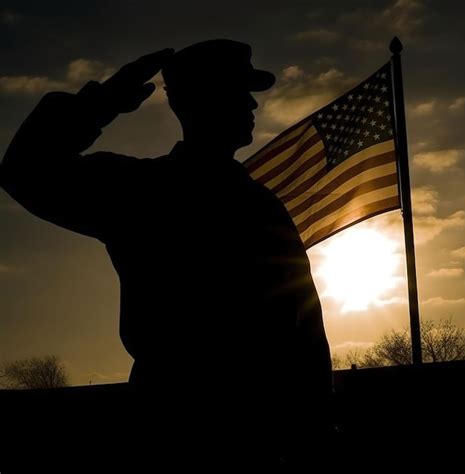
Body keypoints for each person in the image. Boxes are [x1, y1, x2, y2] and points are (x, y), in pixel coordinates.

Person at [0, 39, 332, 465]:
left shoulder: (257, 203)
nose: (252, 103)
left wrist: (318, 418)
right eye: (237, 90)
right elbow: (24, 170)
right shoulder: (141, 191)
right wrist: (98, 105)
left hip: (275, 434)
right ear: (199, 100)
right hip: (182, 431)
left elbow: (303, 328)